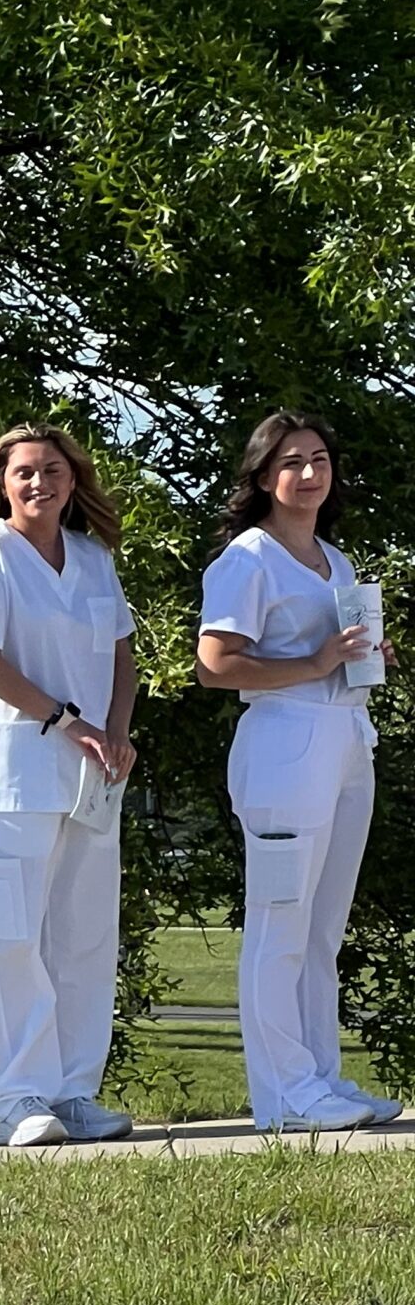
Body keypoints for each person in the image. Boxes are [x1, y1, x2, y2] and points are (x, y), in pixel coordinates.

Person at [198, 411, 400, 1132]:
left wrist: (367, 657)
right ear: (262, 476)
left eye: (320, 459)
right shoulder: (248, 559)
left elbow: (338, 653)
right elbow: (214, 663)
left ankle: (322, 1079)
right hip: (285, 748)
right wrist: (315, 663)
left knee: (322, 930)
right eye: (293, 462)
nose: (310, 473)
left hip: (345, 737)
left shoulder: (334, 560)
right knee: (280, 926)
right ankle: (284, 1095)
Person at [0, 425, 139, 1147]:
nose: (38, 483)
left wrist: (115, 729)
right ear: (1, 483)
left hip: (89, 776)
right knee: (12, 936)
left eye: (51, 470)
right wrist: (67, 720)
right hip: (10, 776)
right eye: (23, 472)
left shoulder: (92, 558)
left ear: (71, 480)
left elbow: (122, 656)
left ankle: (73, 1091)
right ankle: (20, 1097)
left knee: (84, 938)